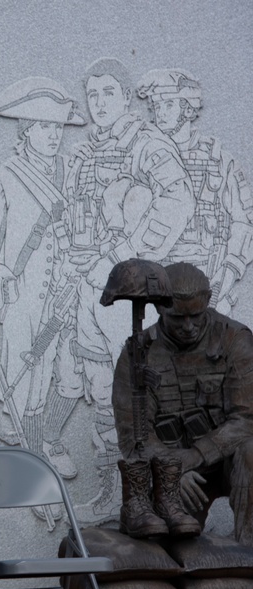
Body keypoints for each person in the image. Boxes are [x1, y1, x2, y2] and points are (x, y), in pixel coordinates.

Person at [63, 58, 195, 524]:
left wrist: (130, 259)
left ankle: (156, 500)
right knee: (101, 390)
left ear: (125, 97)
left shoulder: (146, 144)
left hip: (127, 298)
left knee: (135, 397)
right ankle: (112, 496)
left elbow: (178, 201)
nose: (99, 104)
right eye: (92, 94)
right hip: (87, 288)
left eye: (109, 94)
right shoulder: (85, 152)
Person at [0, 77, 85, 480]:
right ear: (25, 131)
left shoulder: (72, 175)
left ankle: (49, 437)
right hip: (22, 299)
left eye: (57, 127)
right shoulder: (1, 180)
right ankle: (34, 461)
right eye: (44, 127)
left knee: (74, 376)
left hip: (68, 293)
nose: (53, 136)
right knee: (27, 385)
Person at [112, 262, 253, 544]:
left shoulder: (235, 340)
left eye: (196, 316)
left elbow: (247, 420)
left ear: (208, 301)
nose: (188, 327)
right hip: (176, 474)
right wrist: (173, 469)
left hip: (226, 463)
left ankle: (249, 556)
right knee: (171, 542)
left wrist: (197, 455)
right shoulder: (138, 354)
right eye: (178, 318)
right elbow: (134, 436)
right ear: (160, 308)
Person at [136, 68, 253, 316]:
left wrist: (228, 275)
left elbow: (245, 221)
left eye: (168, 105)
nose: (161, 113)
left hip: (208, 282)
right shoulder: (142, 157)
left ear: (188, 109)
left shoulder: (219, 160)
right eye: (156, 106)